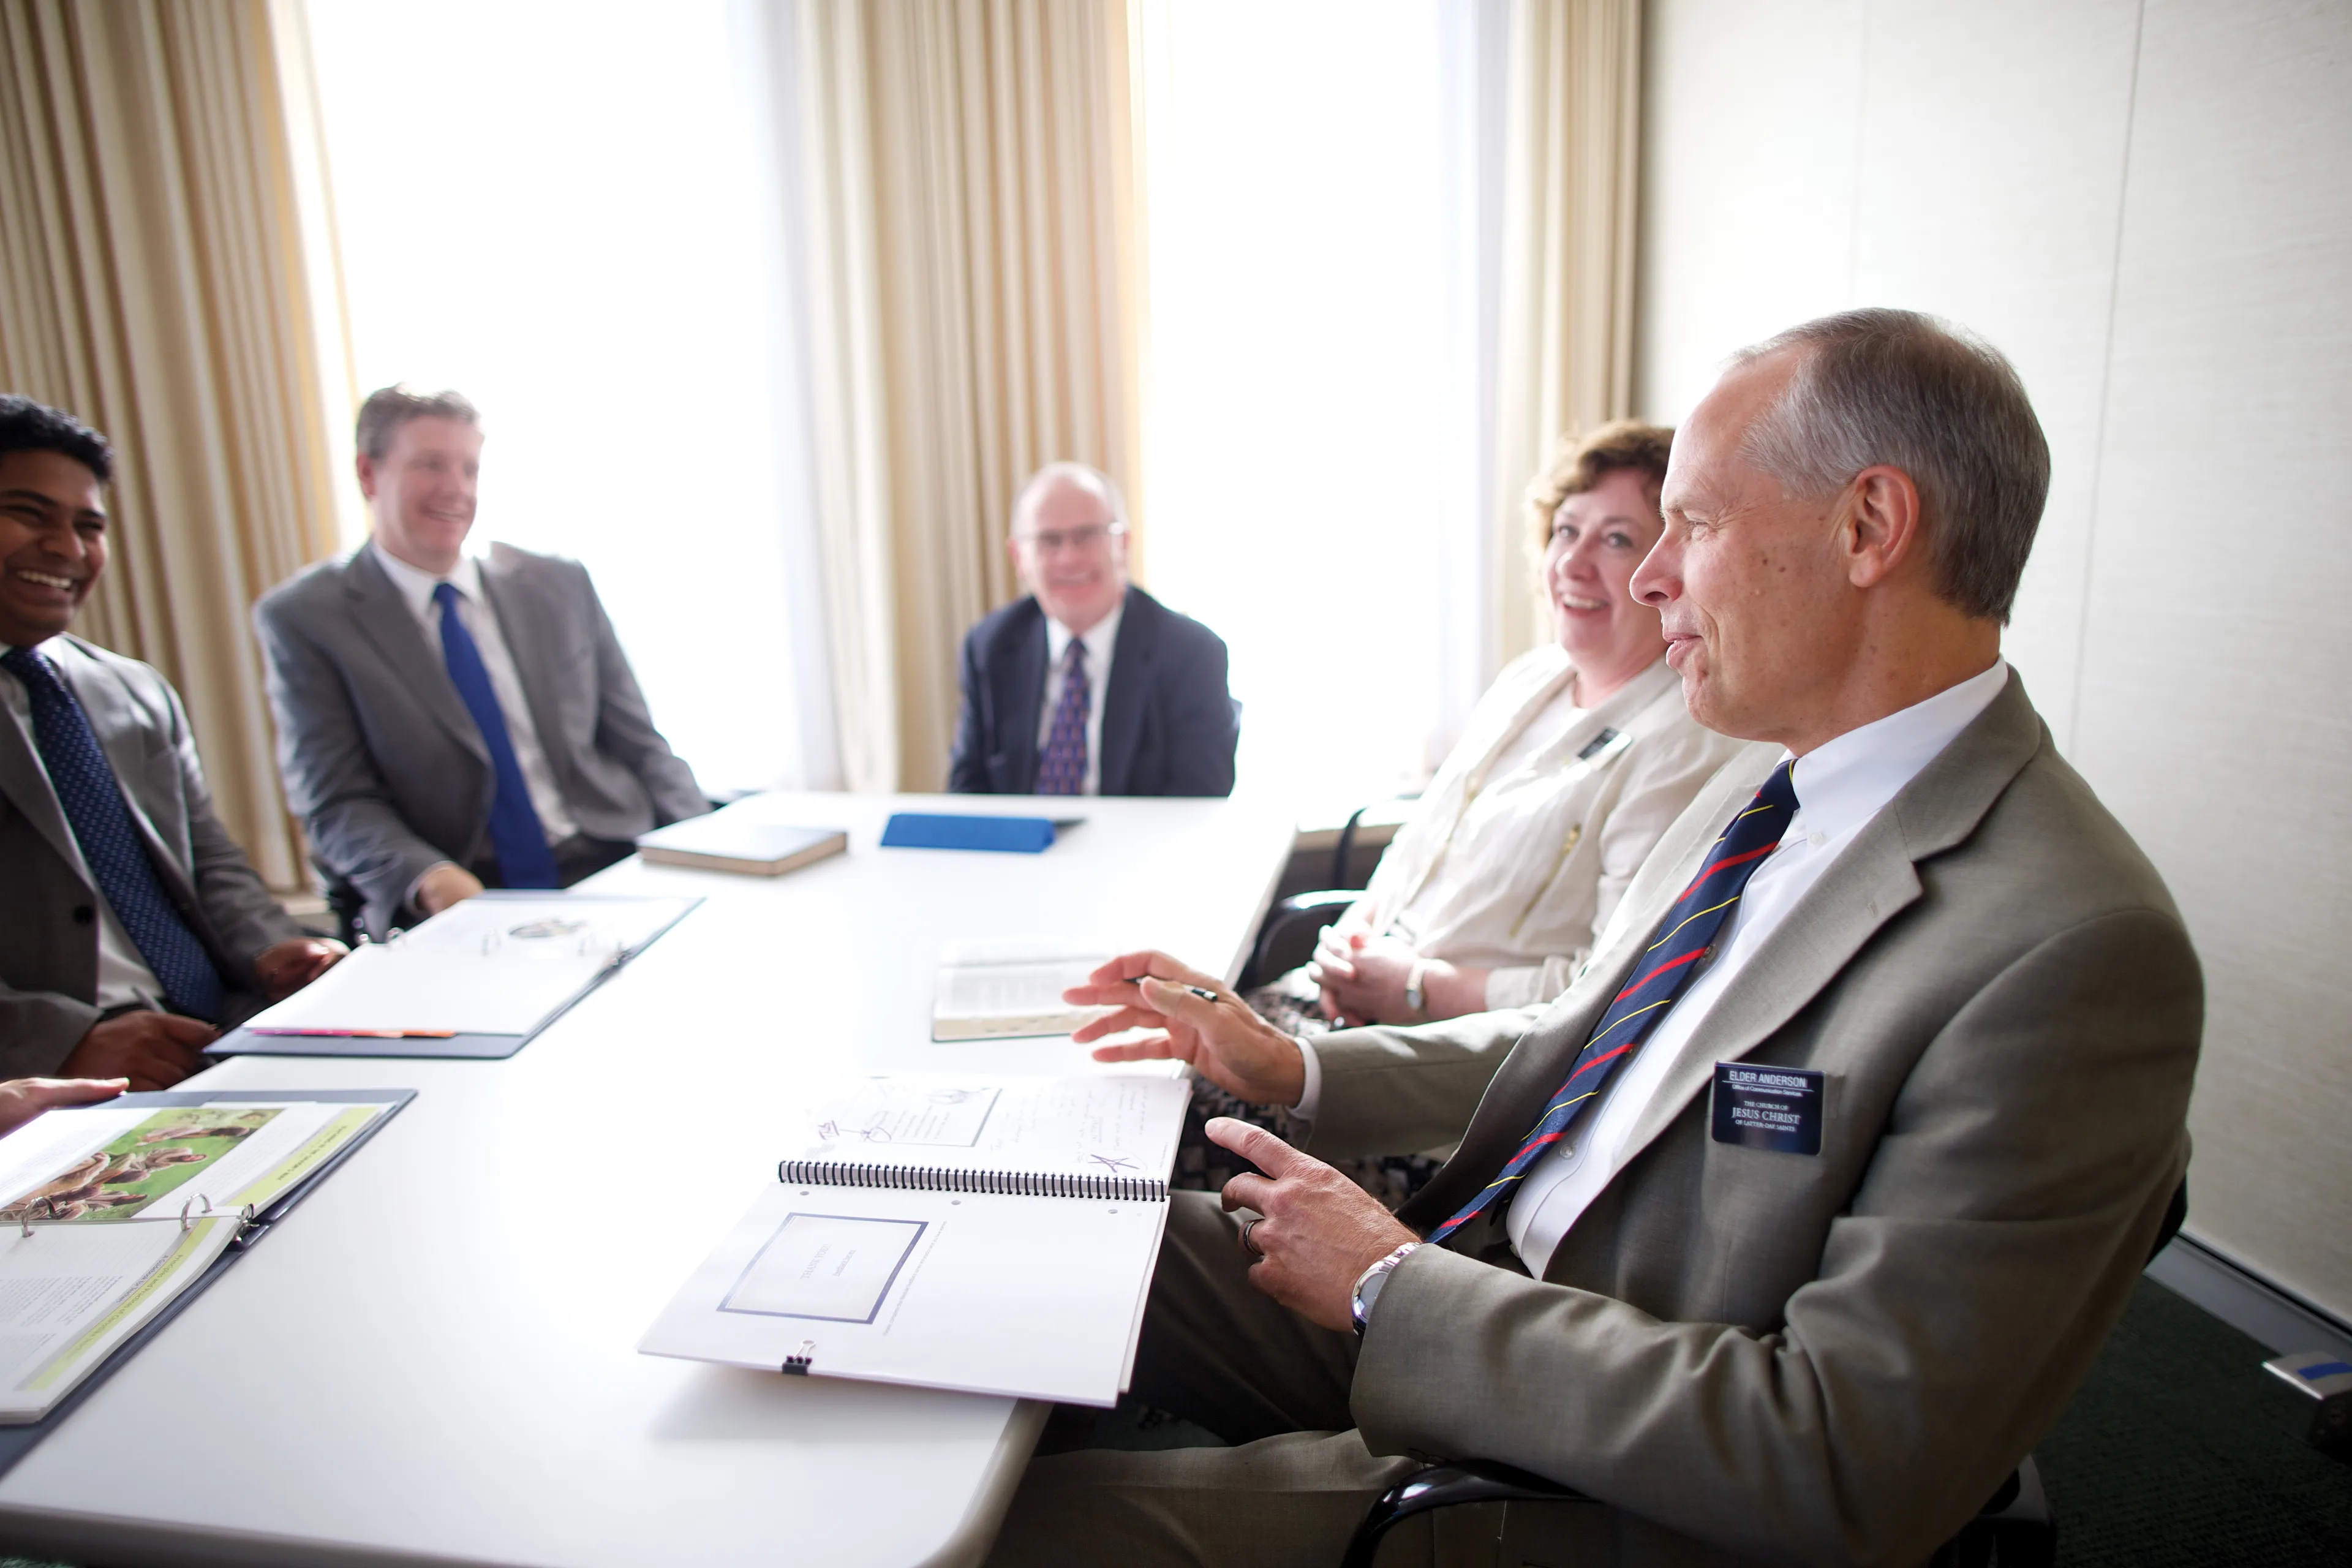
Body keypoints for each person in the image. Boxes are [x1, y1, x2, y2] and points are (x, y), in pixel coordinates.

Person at [992, 309, 2204, 1566]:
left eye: (1696, 522)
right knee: (1042, 1225)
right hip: (1473, 1289)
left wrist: (1398, 1288)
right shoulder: (1780, 797)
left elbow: (1848, 1456)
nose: (1648, 576)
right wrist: (1299, 1069)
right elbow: (1578, 1046)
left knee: (1002, 1536)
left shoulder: (2073, 949)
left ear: (1868, 528)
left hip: (1592, 1470)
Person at [1192, 423, 1746, 1200]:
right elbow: (1423, 843)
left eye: (1617, 540)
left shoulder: (1685, 742)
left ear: (1668, 569)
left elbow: (1601, 993)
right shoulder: (1532, 679)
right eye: (1564, 531)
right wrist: (1362, 932)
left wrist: (1416, 985)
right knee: (1158, 1078)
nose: (1574, 563)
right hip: (1341, 1009)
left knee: (1177, 1145)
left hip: (1451, 1087)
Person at [254, 386, 709, 939]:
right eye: (430, 465)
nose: (456, 490)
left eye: (470, 469)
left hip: (612, 860)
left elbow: (640, 743)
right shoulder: (307, 618)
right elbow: (336, 802)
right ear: (368, 475)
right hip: (465, 893)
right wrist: (432, 877)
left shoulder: (558, 585)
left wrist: (707, 844)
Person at [0, 397, 344, 1087]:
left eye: (89, 525)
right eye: (31, 515)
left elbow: (210, 861)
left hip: (222, 1034)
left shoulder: (134, 690)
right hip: (58, 1088)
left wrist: (275, 946)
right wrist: (60, 1045)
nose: (68, 548)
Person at [948, 462, 1237, 797]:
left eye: (1087, 536)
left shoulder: (1192, 654)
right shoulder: (990, 647)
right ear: (1018, 556)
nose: (1069, 558)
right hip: (1023, 848)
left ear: (1123, 544)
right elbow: (967, 794)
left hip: (1140, 847)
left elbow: (1201, 798)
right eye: (1049, 540)